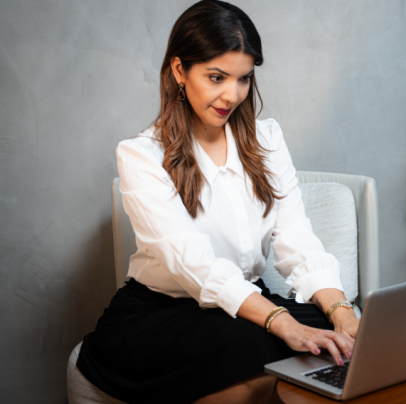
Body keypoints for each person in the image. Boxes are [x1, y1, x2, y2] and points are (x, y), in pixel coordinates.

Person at [76, 1, 360, 403]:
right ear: (179, 71)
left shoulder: (267, 140)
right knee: (259, 345)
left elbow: (296, 239)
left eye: (243, 79)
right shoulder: (141, 155)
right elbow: (194, 265)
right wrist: (280, 321)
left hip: (247, 301)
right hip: (164, 312)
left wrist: (343, 312)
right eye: (216, 77)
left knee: (330, 335)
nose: (232, 94)